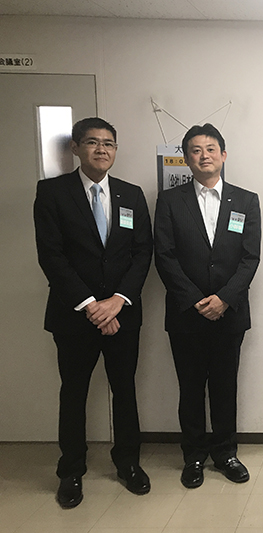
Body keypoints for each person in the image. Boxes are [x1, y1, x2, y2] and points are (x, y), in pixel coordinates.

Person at [34, 117, 153, 508]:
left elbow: (142, 253)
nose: (101, 149)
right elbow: (51, 256)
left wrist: (118, 300)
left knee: (125, 390)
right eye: (92, 142)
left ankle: (128, 463)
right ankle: (71, 471)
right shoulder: (52, 193)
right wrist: (90, 305)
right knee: (74, 393)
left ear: (116, 150)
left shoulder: (131, 195)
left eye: (108, 143)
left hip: (123, 314)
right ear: (76, 148)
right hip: (73, 316)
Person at [154, 123, 261, 487]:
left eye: (211, 149)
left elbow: (250, 258)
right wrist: (196, 299)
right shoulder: (170, 201)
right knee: (190, 389)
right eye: (196, 150)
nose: (204, 156)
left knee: (225, 387)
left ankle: (226, 453)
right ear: (186, 159)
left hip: (229, 314)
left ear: (223, 155)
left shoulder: (246, 200)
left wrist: (224, 299)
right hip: (186, 314)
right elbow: (164, 256)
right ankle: (194, 456)